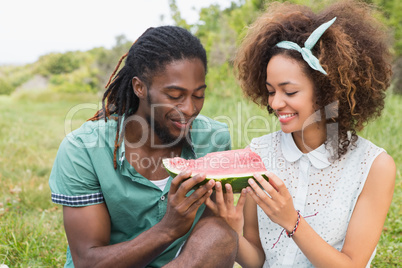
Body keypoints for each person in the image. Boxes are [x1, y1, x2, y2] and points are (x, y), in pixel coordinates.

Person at [206, 1, 396, 267]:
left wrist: (290, 220)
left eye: (290, 92)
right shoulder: (259, 154)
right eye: (271, 91)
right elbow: (257, 260)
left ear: (327, 90)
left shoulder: (374, 166)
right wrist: (232, 231)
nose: (274, 103)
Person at [49, 26, 238, 268]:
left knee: (218, 234)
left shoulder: (214, 139)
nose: (190, 109)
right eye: (174, 95)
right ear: (140, 88)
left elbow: (209, 240)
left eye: (198, 95)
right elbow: (87, 261)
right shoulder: (83, 149)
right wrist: (168, 230)